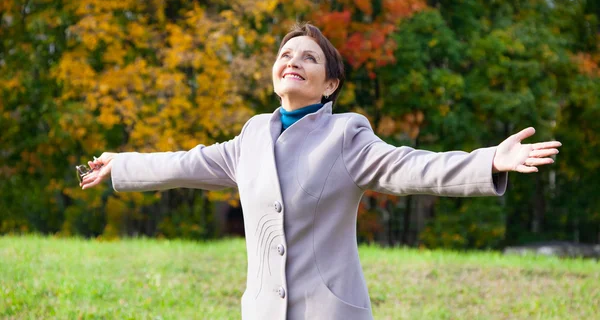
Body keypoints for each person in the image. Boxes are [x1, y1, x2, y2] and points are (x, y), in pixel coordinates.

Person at [80, 23, 561, 320]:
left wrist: (488, 160)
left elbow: (409, 166)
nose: (294, 61)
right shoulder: (250, 137)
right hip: (264, 312)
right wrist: (120, 164)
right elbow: (185, 163)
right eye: (286, 55)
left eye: (309, 57)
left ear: (329, 84)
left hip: (330, 312)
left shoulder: (348, 135)